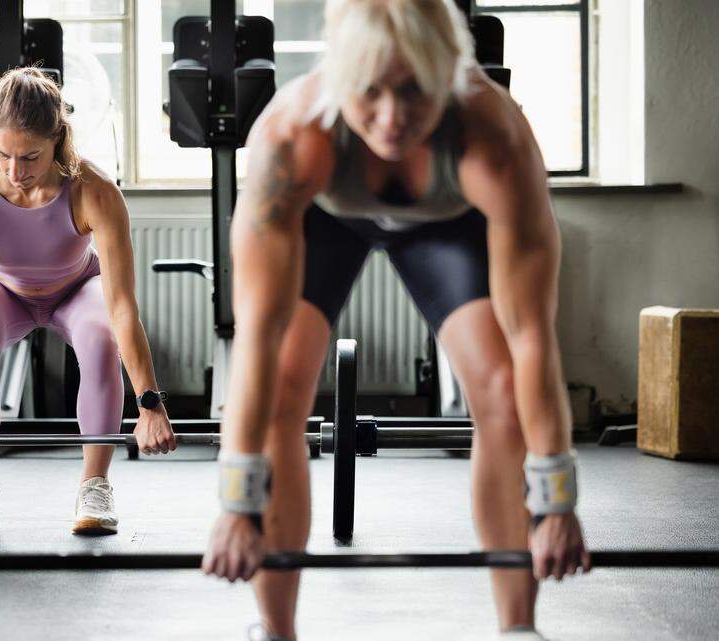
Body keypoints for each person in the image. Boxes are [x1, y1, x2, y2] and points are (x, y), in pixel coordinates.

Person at [201, 1, 589, 639]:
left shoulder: (493, 139)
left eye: (415, 91)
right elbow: (259, 338)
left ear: (448, 74)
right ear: (339, 74)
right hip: (324, 215)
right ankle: (274, 630)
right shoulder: (292, 137)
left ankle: (519, 629)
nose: (391, 117)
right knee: (283, 393)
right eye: (369, 91)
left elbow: (530, 338)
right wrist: (237, 502)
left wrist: (556, 501)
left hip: (449, 219)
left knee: (498, 392)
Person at [0, 68, 176, 537]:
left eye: (30, 156)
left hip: (76, 289)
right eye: (1, 154)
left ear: (59, 140)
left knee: (98, 337)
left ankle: (95, 485)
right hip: (0, 288)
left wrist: (150, 404)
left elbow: (122, 307)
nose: (14, 171)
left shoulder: (94, 189)